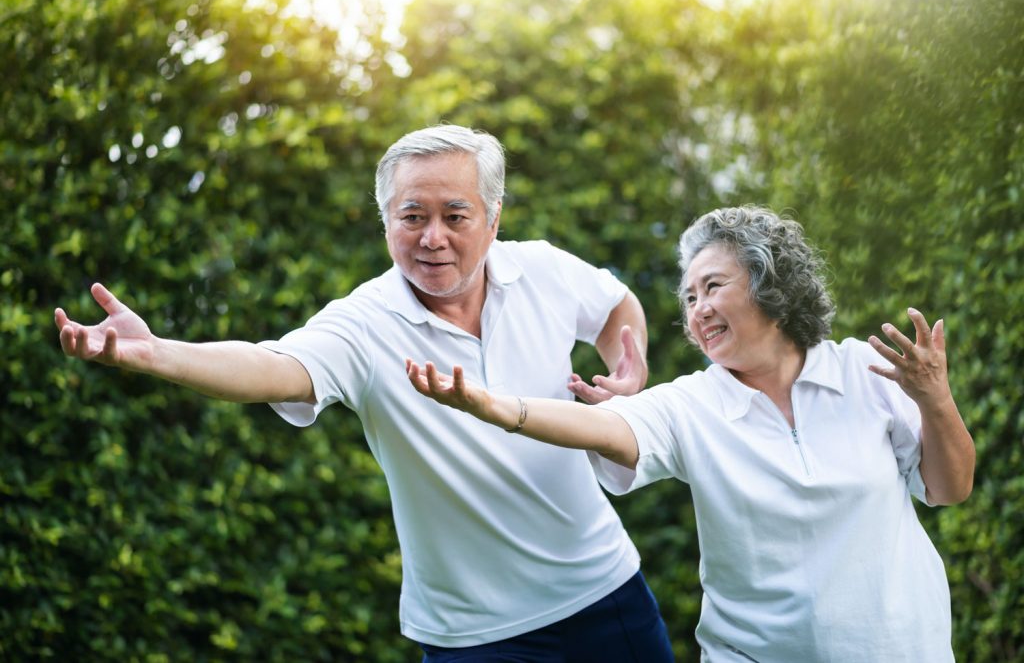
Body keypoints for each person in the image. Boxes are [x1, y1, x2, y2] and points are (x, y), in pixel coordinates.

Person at [55, 124, 675, 661]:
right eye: (412, 217)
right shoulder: (364, 321)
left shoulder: (541, 268)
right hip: (476, 635)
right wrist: (158, 352)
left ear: (494, 216)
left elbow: (616, 304)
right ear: (386, 221)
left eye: (455, 216)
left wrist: (631, 362)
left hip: (607, 591)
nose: (432, 237)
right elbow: (274, 365)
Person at [408, 205, 975, 662]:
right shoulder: (693, 404)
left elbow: (950, 488)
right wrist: (499, 407)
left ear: (770, 284)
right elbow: (606, 427)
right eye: (689, 297)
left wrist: (936, 400)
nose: (697, 309)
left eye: (713, 286)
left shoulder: (863, 372)